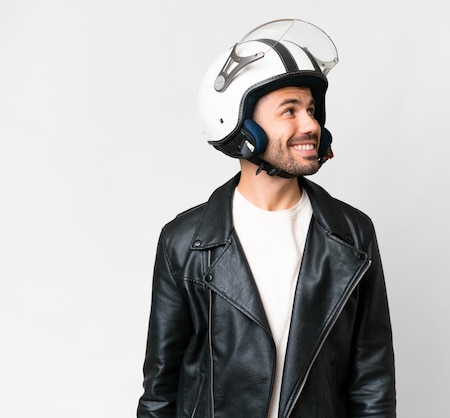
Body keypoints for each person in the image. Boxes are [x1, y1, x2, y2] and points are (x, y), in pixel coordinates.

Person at [137, 19, 396, 418]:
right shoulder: (183, 242)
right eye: (289, 111)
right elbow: (160, 392)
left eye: (311, 109)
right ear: (241, 126)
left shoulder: (353, 235)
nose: (311, 124)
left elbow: (373, 383)